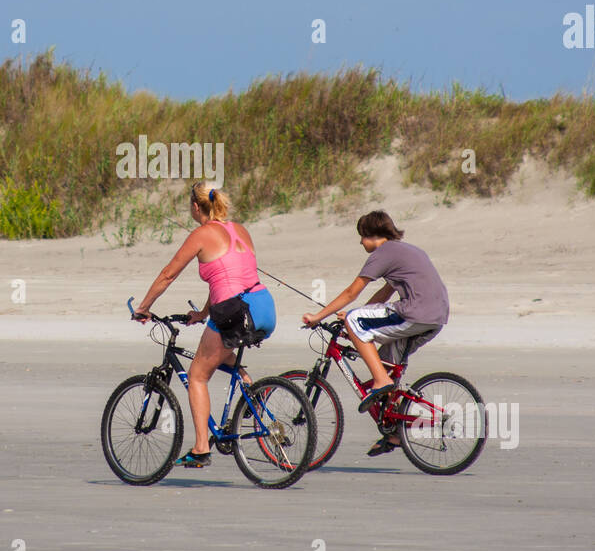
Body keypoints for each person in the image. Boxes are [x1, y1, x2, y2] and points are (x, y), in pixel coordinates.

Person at [133, 183, 277, 468]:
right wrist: (202, 313)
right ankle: (251, 388)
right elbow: (228, 276)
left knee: (197, 376)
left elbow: (168, 274)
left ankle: (200, 448)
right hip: (263, 306)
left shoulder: (200, 234)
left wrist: (144, 307)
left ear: (195, 207)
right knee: (222, 350)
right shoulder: (240, 229)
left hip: (235, 311)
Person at [301, 209, 449, 456]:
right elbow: (384, 294)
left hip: (414, 312)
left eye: (362, 236)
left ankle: (380, 380)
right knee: (387, 360)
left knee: (356, 323)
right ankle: (394, 433)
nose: (360, 242)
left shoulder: (383, 253)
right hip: (436, 317)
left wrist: (319, 317)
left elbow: (351, 293)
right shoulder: (406, 251)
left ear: (373, 234)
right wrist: (357, 316)